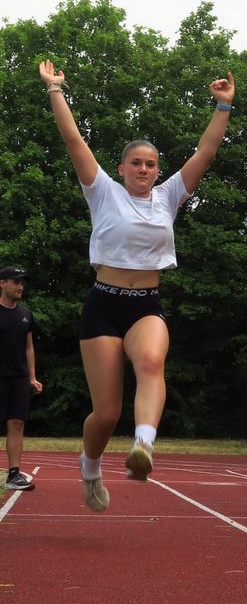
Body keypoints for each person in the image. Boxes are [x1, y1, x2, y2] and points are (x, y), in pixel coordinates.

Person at [40, 59, 235, 512]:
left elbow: (204, 153)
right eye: (137, 163)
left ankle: (143, 446)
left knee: (151, 361)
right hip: (103, 305)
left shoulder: (169, 195)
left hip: (146, 302)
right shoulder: (103, 191)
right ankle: (90, 467)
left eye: (151, 164)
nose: (145, 169)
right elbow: (73, 140)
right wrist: (55, 90)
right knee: (105, 413)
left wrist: (223, 108)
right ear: (122, 167)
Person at [1, 267, 42, 492]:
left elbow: (29, 347)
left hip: (18, 378)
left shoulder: (26, 314)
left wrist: (32, 377)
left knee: (16, 424)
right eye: (16, 282)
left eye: (22, 283)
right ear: (2, 283)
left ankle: (14, 475)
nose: (20, 286)